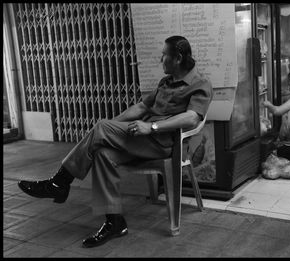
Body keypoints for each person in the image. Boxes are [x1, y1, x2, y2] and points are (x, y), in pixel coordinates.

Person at [18, 35, 213, 248]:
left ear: (178, 58)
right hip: (141, 140)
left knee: (101, 128)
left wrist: (151, 126)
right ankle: (114, 222)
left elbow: (193, 117)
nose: (161, 59)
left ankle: (59, 182)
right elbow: (141, 108)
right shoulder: (165, 82)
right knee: (103, 154)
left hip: (163, 143)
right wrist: (111, 127)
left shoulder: (200, 83)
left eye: (164, 55)